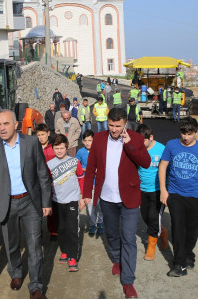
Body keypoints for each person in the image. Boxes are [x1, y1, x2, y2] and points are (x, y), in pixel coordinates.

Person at [0, 110, 52, 299]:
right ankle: (16, 273)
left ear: (16, 125)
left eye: (6, 124)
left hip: (30, 201)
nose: (2, 128)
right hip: (6, 203)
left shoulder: (31, 143)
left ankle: (36, 286)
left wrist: (46, 201)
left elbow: (43, 174)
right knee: (11, 244)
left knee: (34, 245)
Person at [82, 108, 150, 299]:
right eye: (111, 125)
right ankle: (118, 259)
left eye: (118, 126)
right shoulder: (99, 138)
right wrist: (87, 193)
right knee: (112, 235)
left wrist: (130, 146)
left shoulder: (135, 138)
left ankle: (128, 281)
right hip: (106, 198)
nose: (114, 129)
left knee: (128, 238)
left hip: (128, 197)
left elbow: (145, 162)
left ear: (125, 123)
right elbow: (91, 169)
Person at [159, 117, 198, 277]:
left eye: (190, 134)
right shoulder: (171, 145)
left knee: (192, 231)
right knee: (178, 228)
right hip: (175, 195)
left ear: (196, 133)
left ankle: (189, 255)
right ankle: (178, 265)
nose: (186, 137)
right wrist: (163, 190)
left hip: (195, 196)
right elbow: (163, 167)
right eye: (183, 133)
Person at [46, 134, 85, 272]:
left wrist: (82, 198)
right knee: (61, 229)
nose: (59, 151)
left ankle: (72, 257)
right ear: (53, 148)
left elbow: (81, 178)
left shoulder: (74, 162)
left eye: (62, 148)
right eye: (57, 148)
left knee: (72, 229)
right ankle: (64, 251)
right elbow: (47, 185)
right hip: (57, 201)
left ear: (67, 148)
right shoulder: (49, 165)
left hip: (73, 200)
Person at [135, 124, 169, 261]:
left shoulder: (162, 149)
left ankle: (151, 246)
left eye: (144, 140)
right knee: (145, 216)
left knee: (153, 217)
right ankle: (163, 232)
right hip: (142, 189)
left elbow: (168, 169)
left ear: (151, 138)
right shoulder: (137, 149)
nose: (141, 143)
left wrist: (166, 191)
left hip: (158, 190)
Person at [76, 130, 103, 236]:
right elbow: (77, 167)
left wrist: (97, 169)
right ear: (82, 141)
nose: (88, 143)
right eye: (86, 140)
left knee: (100, 204)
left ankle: (100, 222)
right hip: (88, 183)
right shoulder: (80, 152)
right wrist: (89, 170)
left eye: (90, 140)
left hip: (99, 183)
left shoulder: (99, 151)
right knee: (90, 205)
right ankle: (92, 224)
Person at [35, 123, 58, 241]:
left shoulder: (54, 147)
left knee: (51, 208)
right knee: (36, 209)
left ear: (48, 134)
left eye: (43, 134)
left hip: (52, 182)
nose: (40, 137)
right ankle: (38, 231)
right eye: (38, 135)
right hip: (38, 183)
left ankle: (53, 231)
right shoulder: (34, 147)